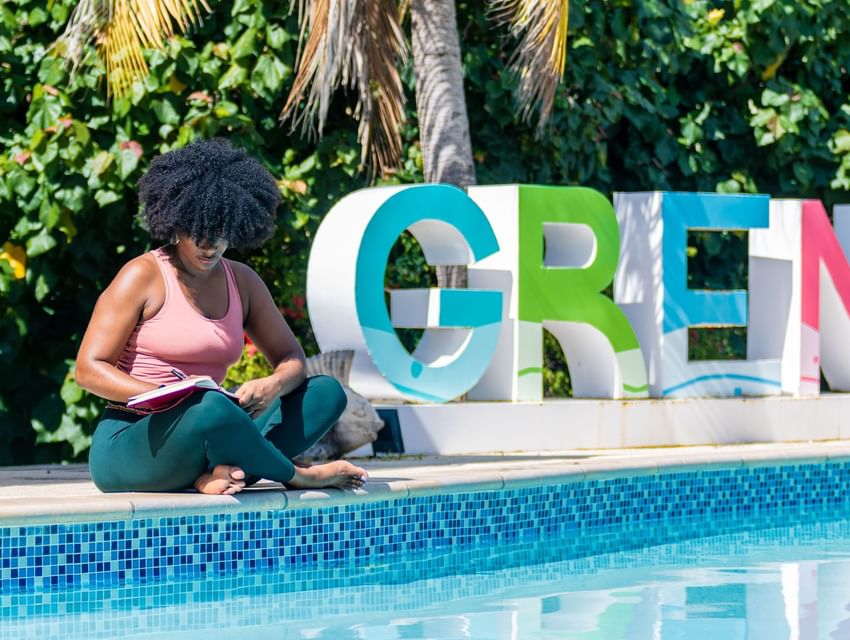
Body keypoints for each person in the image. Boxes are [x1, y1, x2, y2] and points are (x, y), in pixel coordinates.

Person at [75, 138, 367, 495]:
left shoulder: (242, 282)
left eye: (221, 232)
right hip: (132, 440)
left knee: (325, 393)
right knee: (208, 406)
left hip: (215, 427)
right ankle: (296, 474)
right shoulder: (143, 275)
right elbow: (88, 369)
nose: (209, 245)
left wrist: (272, 385)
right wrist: (168, 395)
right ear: (176, 221)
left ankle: (217, 475)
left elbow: (291, 359)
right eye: (198, 232)